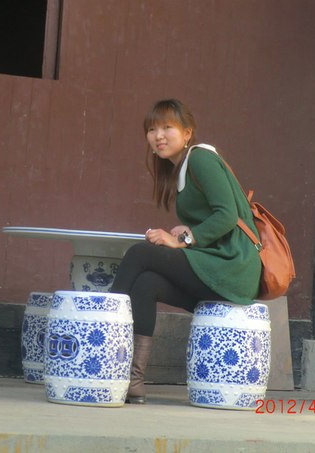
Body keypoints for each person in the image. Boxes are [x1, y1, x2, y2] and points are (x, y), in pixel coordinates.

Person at [110, 98, 262, 404]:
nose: (158, 136)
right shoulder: (180, 169)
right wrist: (190, 230)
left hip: (233, 267)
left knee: (140, 254)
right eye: (152, 129)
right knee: (146, 284)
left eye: (168, 127)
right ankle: (132, 380)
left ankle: (105, 341)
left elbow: (227, 216)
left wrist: (184, 240)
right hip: (217, 266)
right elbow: (215, 219)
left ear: (187, 133)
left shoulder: (200, 158)